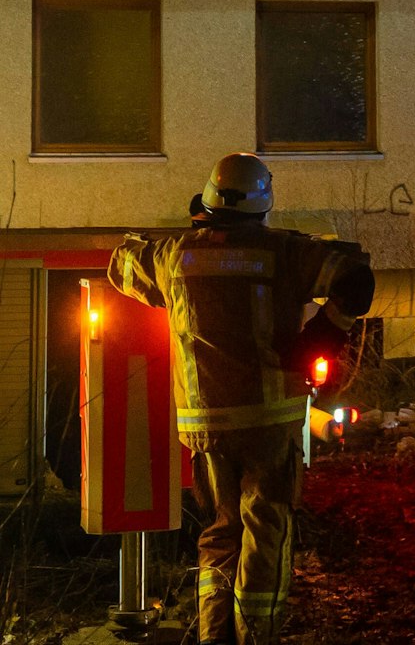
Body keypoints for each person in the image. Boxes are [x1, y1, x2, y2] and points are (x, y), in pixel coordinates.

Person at [109, 153, 374, 645]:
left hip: (205, 427)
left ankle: (214, 637)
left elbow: (120, 263)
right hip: (268, 425)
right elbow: (357, 280)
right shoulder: (284, 253)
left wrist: (181, 233)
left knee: (220, 533)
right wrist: (322, 335)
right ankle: (255, 635)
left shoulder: (173, 256)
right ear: (263, 204)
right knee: (265, 533)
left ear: (210, 203)